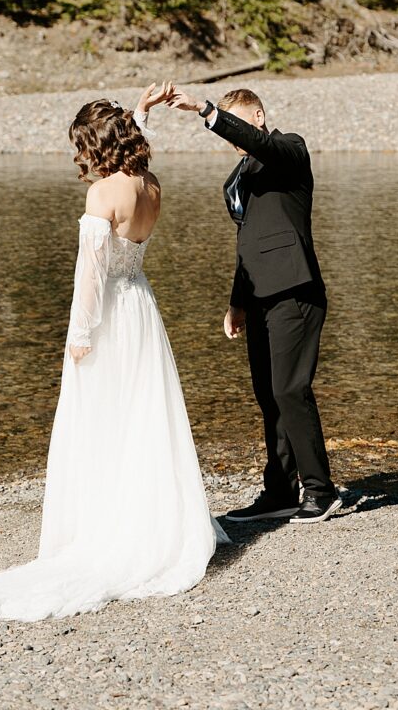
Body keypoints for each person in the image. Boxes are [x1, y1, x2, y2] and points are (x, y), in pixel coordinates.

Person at [0, 82, 228, 622]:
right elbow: (136, 164)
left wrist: (78, 335)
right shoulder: (152, 184)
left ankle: (106, 529)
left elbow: (89, 276)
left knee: (101, 421)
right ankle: (151, 520)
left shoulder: (102, 195)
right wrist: (140, 113)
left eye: (81, 146)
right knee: (143, 417)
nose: (79, 157)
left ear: (94, 146)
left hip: (111, 316)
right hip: (143, 307)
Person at [167, 86, 341, 524]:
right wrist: (236, 302)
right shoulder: (239, 176)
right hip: (259, 295)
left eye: (240, 125)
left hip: (296, 291)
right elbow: (246, 244)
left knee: (289, 389)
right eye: (230, 130)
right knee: (268, 395)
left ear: (258, 116)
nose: (235, 139)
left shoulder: (290, 149)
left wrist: (206, 111)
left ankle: (321, 491)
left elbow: (263, 144)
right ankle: (281, 491)